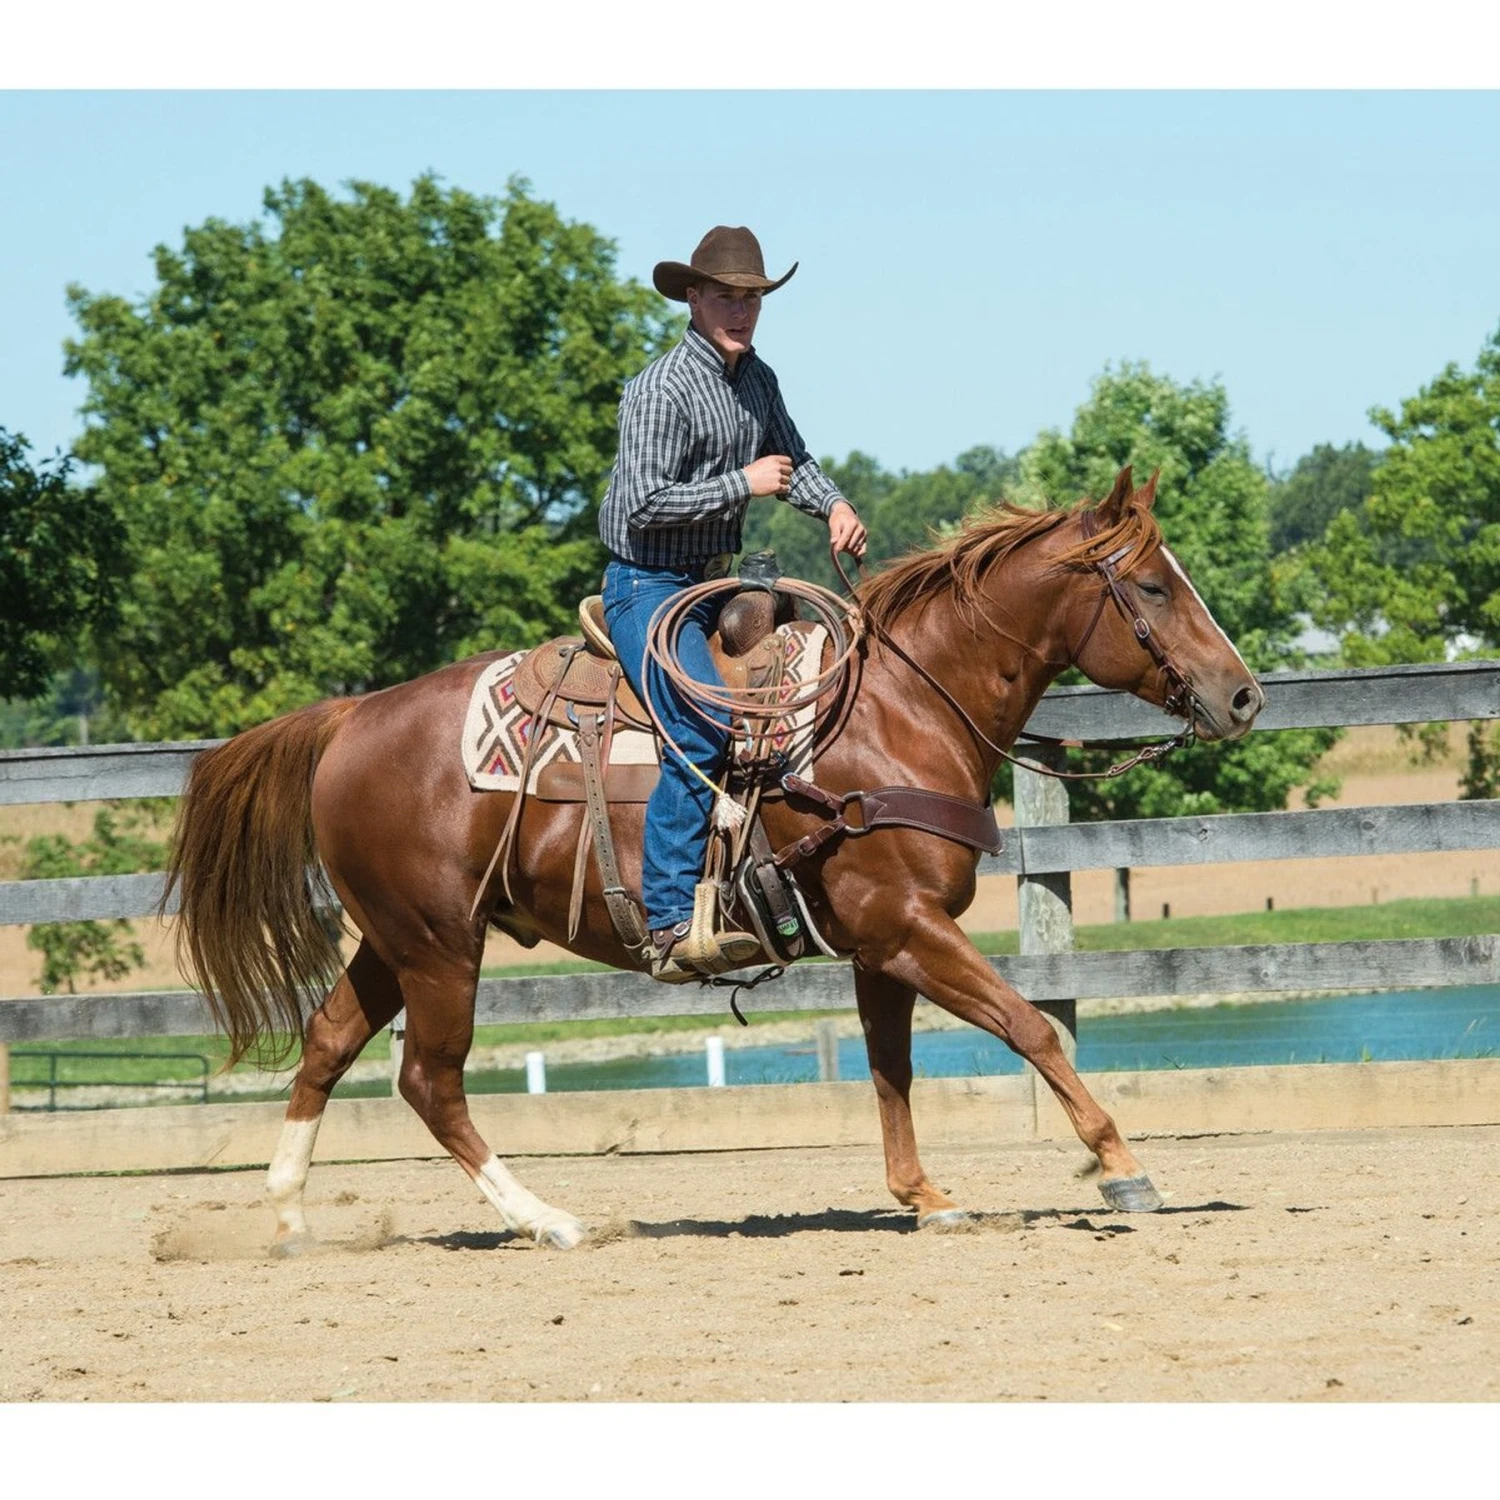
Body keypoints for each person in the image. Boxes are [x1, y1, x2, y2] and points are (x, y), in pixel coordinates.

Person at [599, 225, 868, 978]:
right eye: (726, 296)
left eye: (752, 298)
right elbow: (640, 503)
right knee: (707, 724)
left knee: (806, 694)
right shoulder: (659, 389)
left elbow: (794, 461)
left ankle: (762, 882)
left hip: (714, 583)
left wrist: (834, 506)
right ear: (692, 297)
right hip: (646, 586)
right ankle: (668, 923)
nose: (741, 311)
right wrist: (741, 486)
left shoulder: (759, 380)